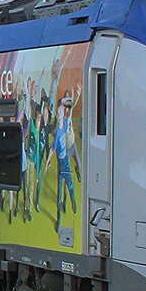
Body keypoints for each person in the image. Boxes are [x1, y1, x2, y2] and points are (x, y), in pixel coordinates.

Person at [46, 85, 82, 231]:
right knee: (59, 195)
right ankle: (58, 219)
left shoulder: (66, 124)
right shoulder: (57, 132)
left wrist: (75, 94)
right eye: (59, 114)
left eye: (62, 113)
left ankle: (73, 202)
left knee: (70, 186)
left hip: (66, 163)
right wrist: (48, 161)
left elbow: (71, 111)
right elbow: (52, 149)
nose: (61, 116)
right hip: (61, 166)